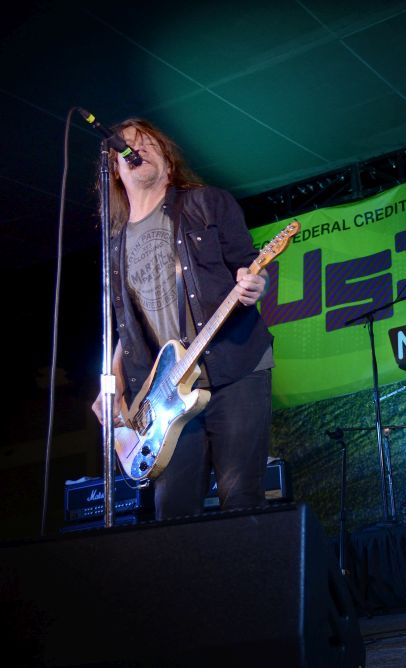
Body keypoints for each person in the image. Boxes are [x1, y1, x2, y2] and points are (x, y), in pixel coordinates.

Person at [90, 118, 274, 521]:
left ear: (169, 163)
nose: (137, 150)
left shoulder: (206, 203)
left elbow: (250, 266)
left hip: (234, 370)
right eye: (127, 146)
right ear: (116, 169)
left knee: (241, 500)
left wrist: (256, 283)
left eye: (149, 143)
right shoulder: (114, 244)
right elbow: (127, 330)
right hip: (166, 397)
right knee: (172, 513)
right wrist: (113, 386)